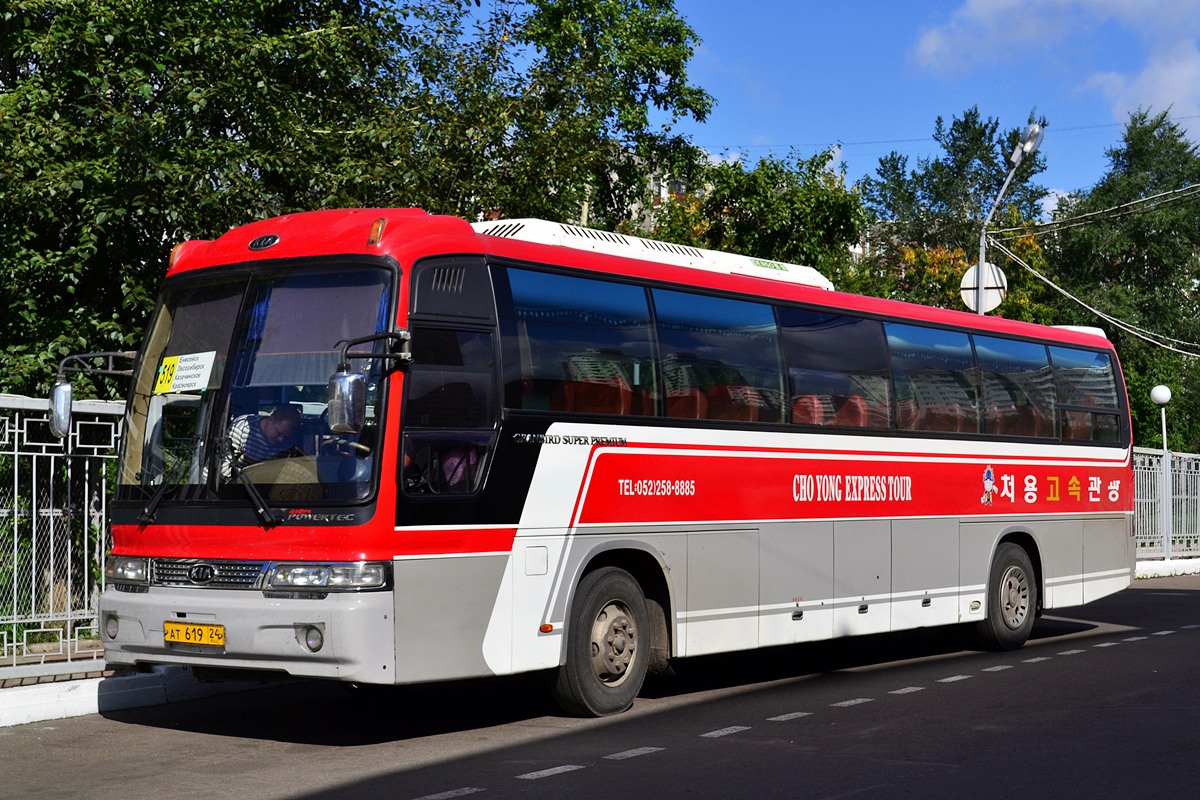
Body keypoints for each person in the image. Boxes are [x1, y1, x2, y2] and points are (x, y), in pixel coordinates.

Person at [227, 404, 302, 472]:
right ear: (270, 420)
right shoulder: (242, 428)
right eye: (279, 433)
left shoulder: (290, 441)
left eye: (285, 436)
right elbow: (225, 465)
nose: (281, 439)